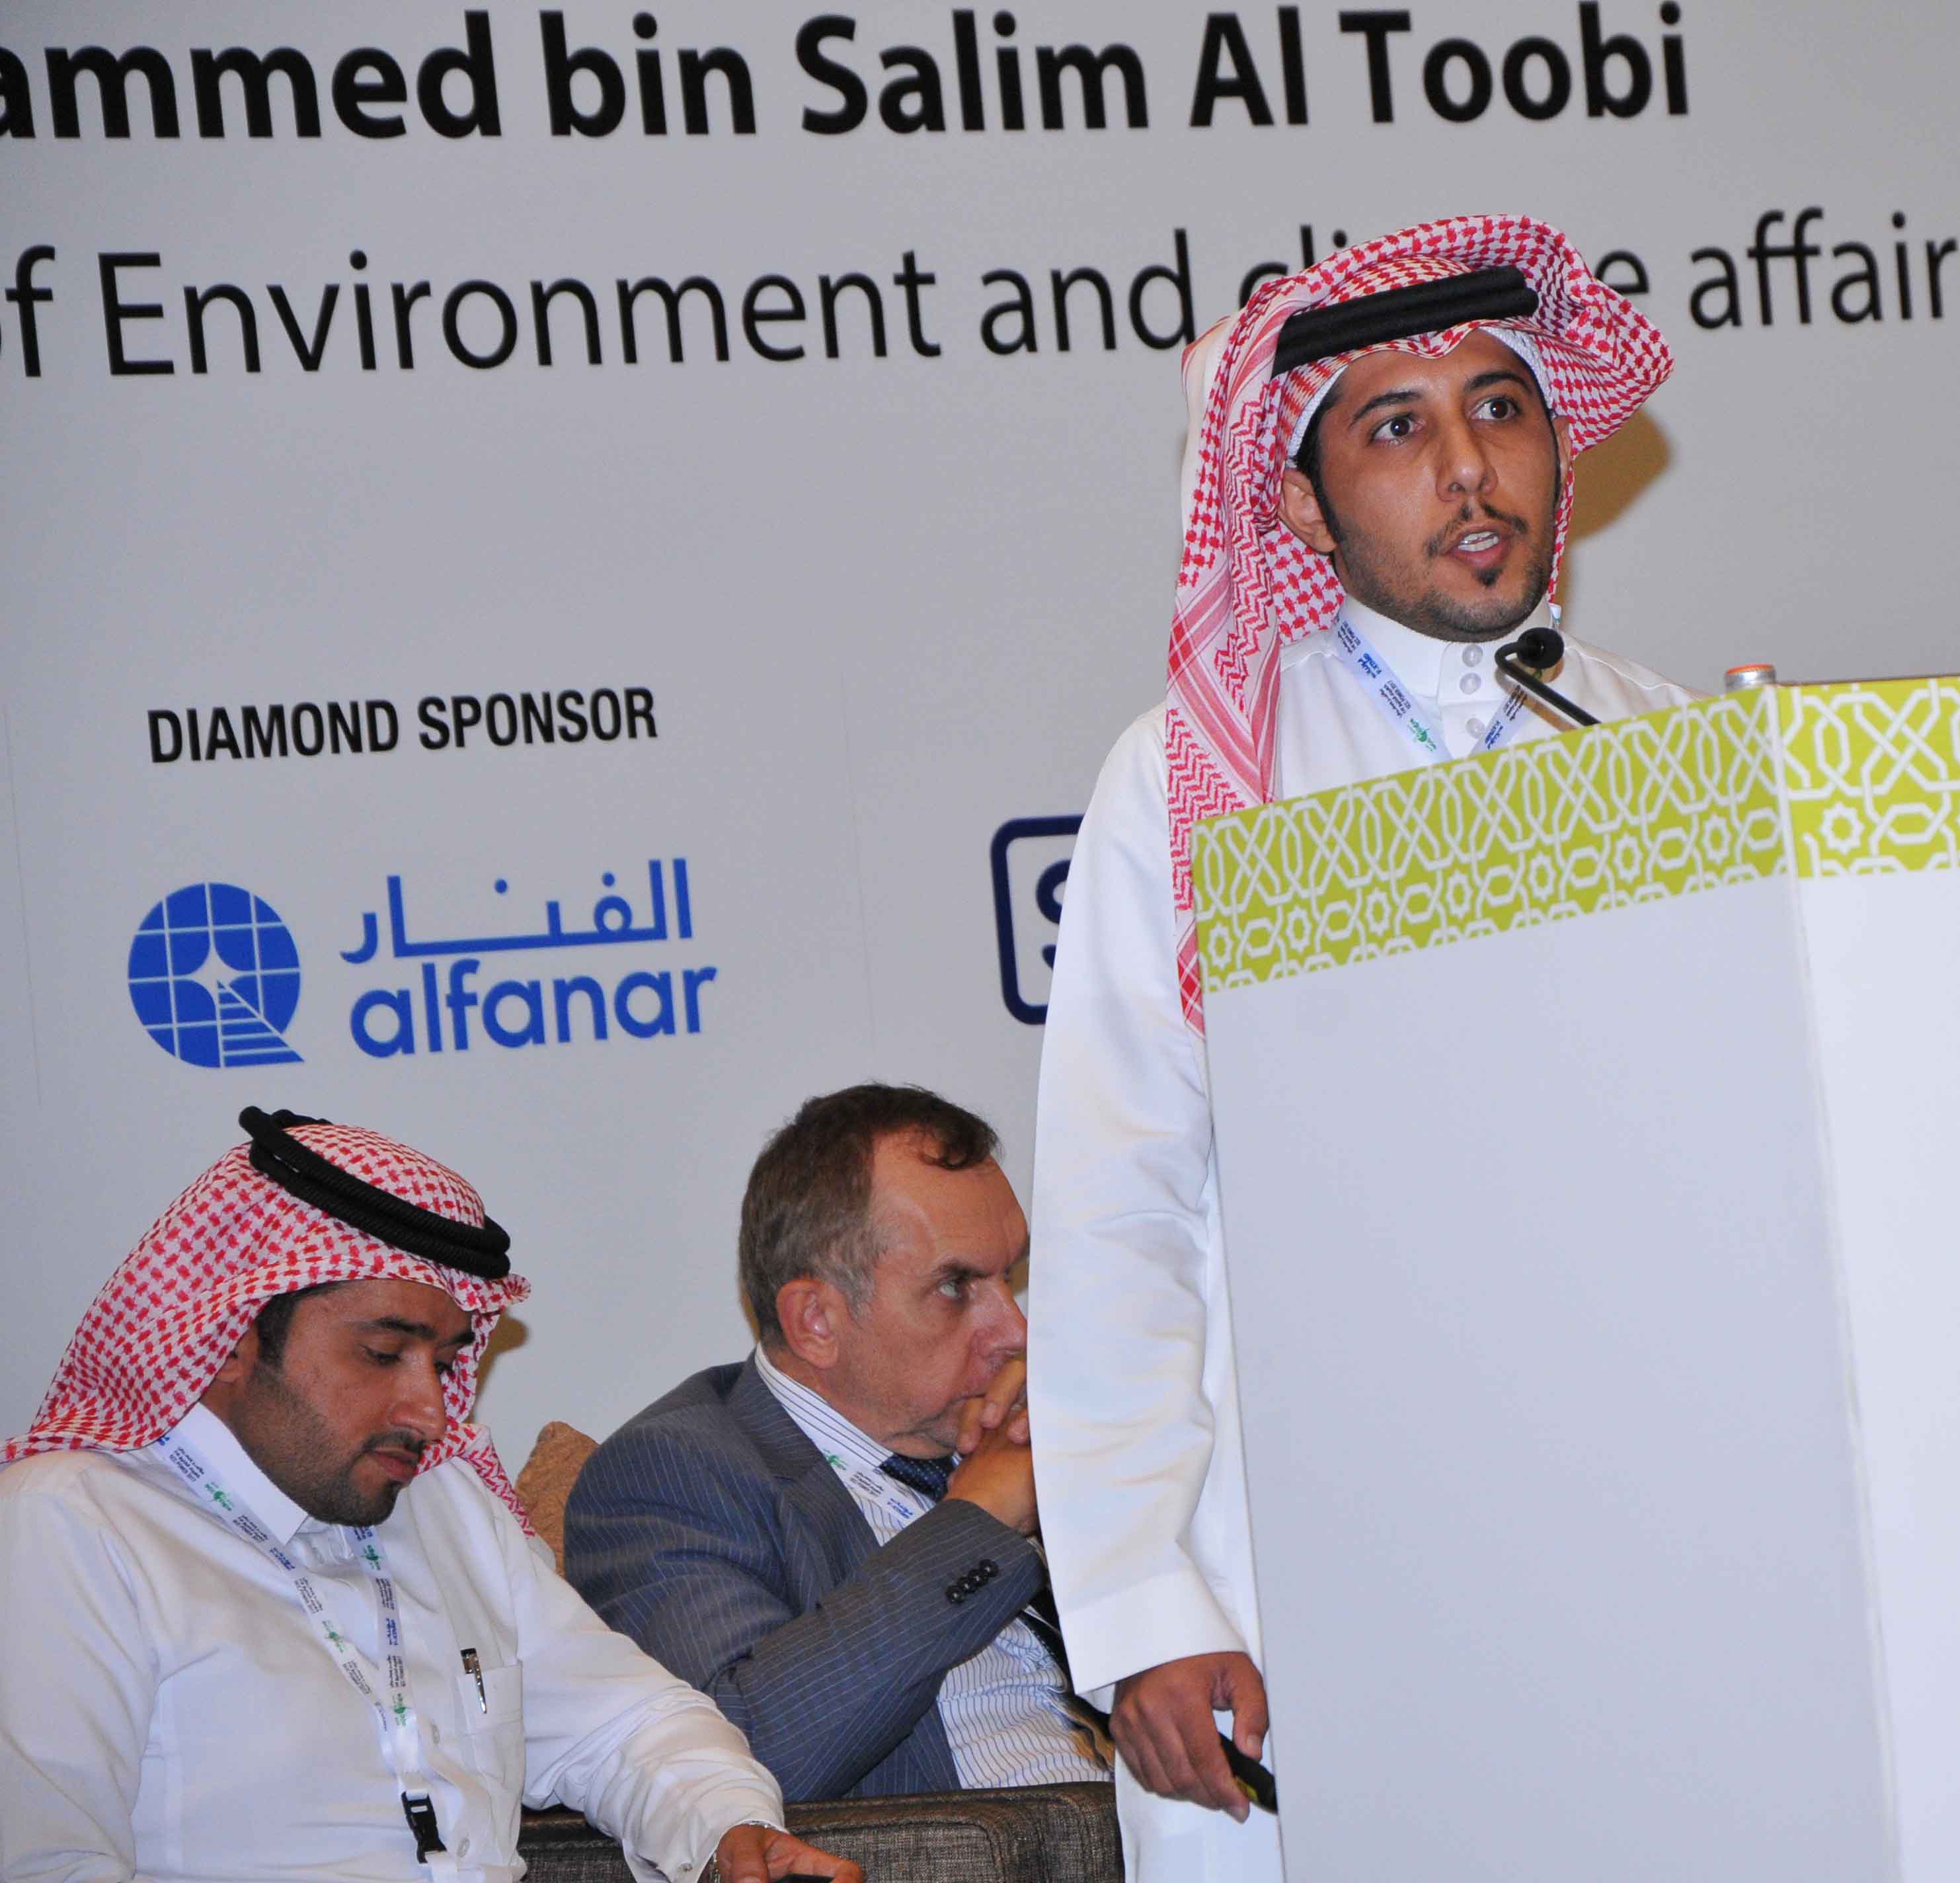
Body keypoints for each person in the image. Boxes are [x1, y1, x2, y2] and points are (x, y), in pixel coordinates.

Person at [1030, 214, 1690, 1880]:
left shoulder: (1666, 738)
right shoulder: (1202, 771)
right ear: (1305, 501)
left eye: (1501, 408)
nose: (1469, 467)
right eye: (1397, 428)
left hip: (1640, 1548)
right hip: (1302, 1573)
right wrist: (1144, 1600)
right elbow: (1121, 1205)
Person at [0, 1106, 857, 1883]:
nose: (431, 1411)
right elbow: (43, 1862)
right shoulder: (71, 1526)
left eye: (446, 1363)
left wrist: (729, 1828)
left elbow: (626, 1724)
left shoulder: (448, 1508)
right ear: (233, 1337)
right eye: (382, 1354)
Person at [564, 1084, 1107, 1800]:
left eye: (1009, 1277)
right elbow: (742, 1765)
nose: (1015, 1331)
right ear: (816, 1320)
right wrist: (980, 1522)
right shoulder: (672, 1475)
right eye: (955, 1287)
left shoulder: (1032, 1421)